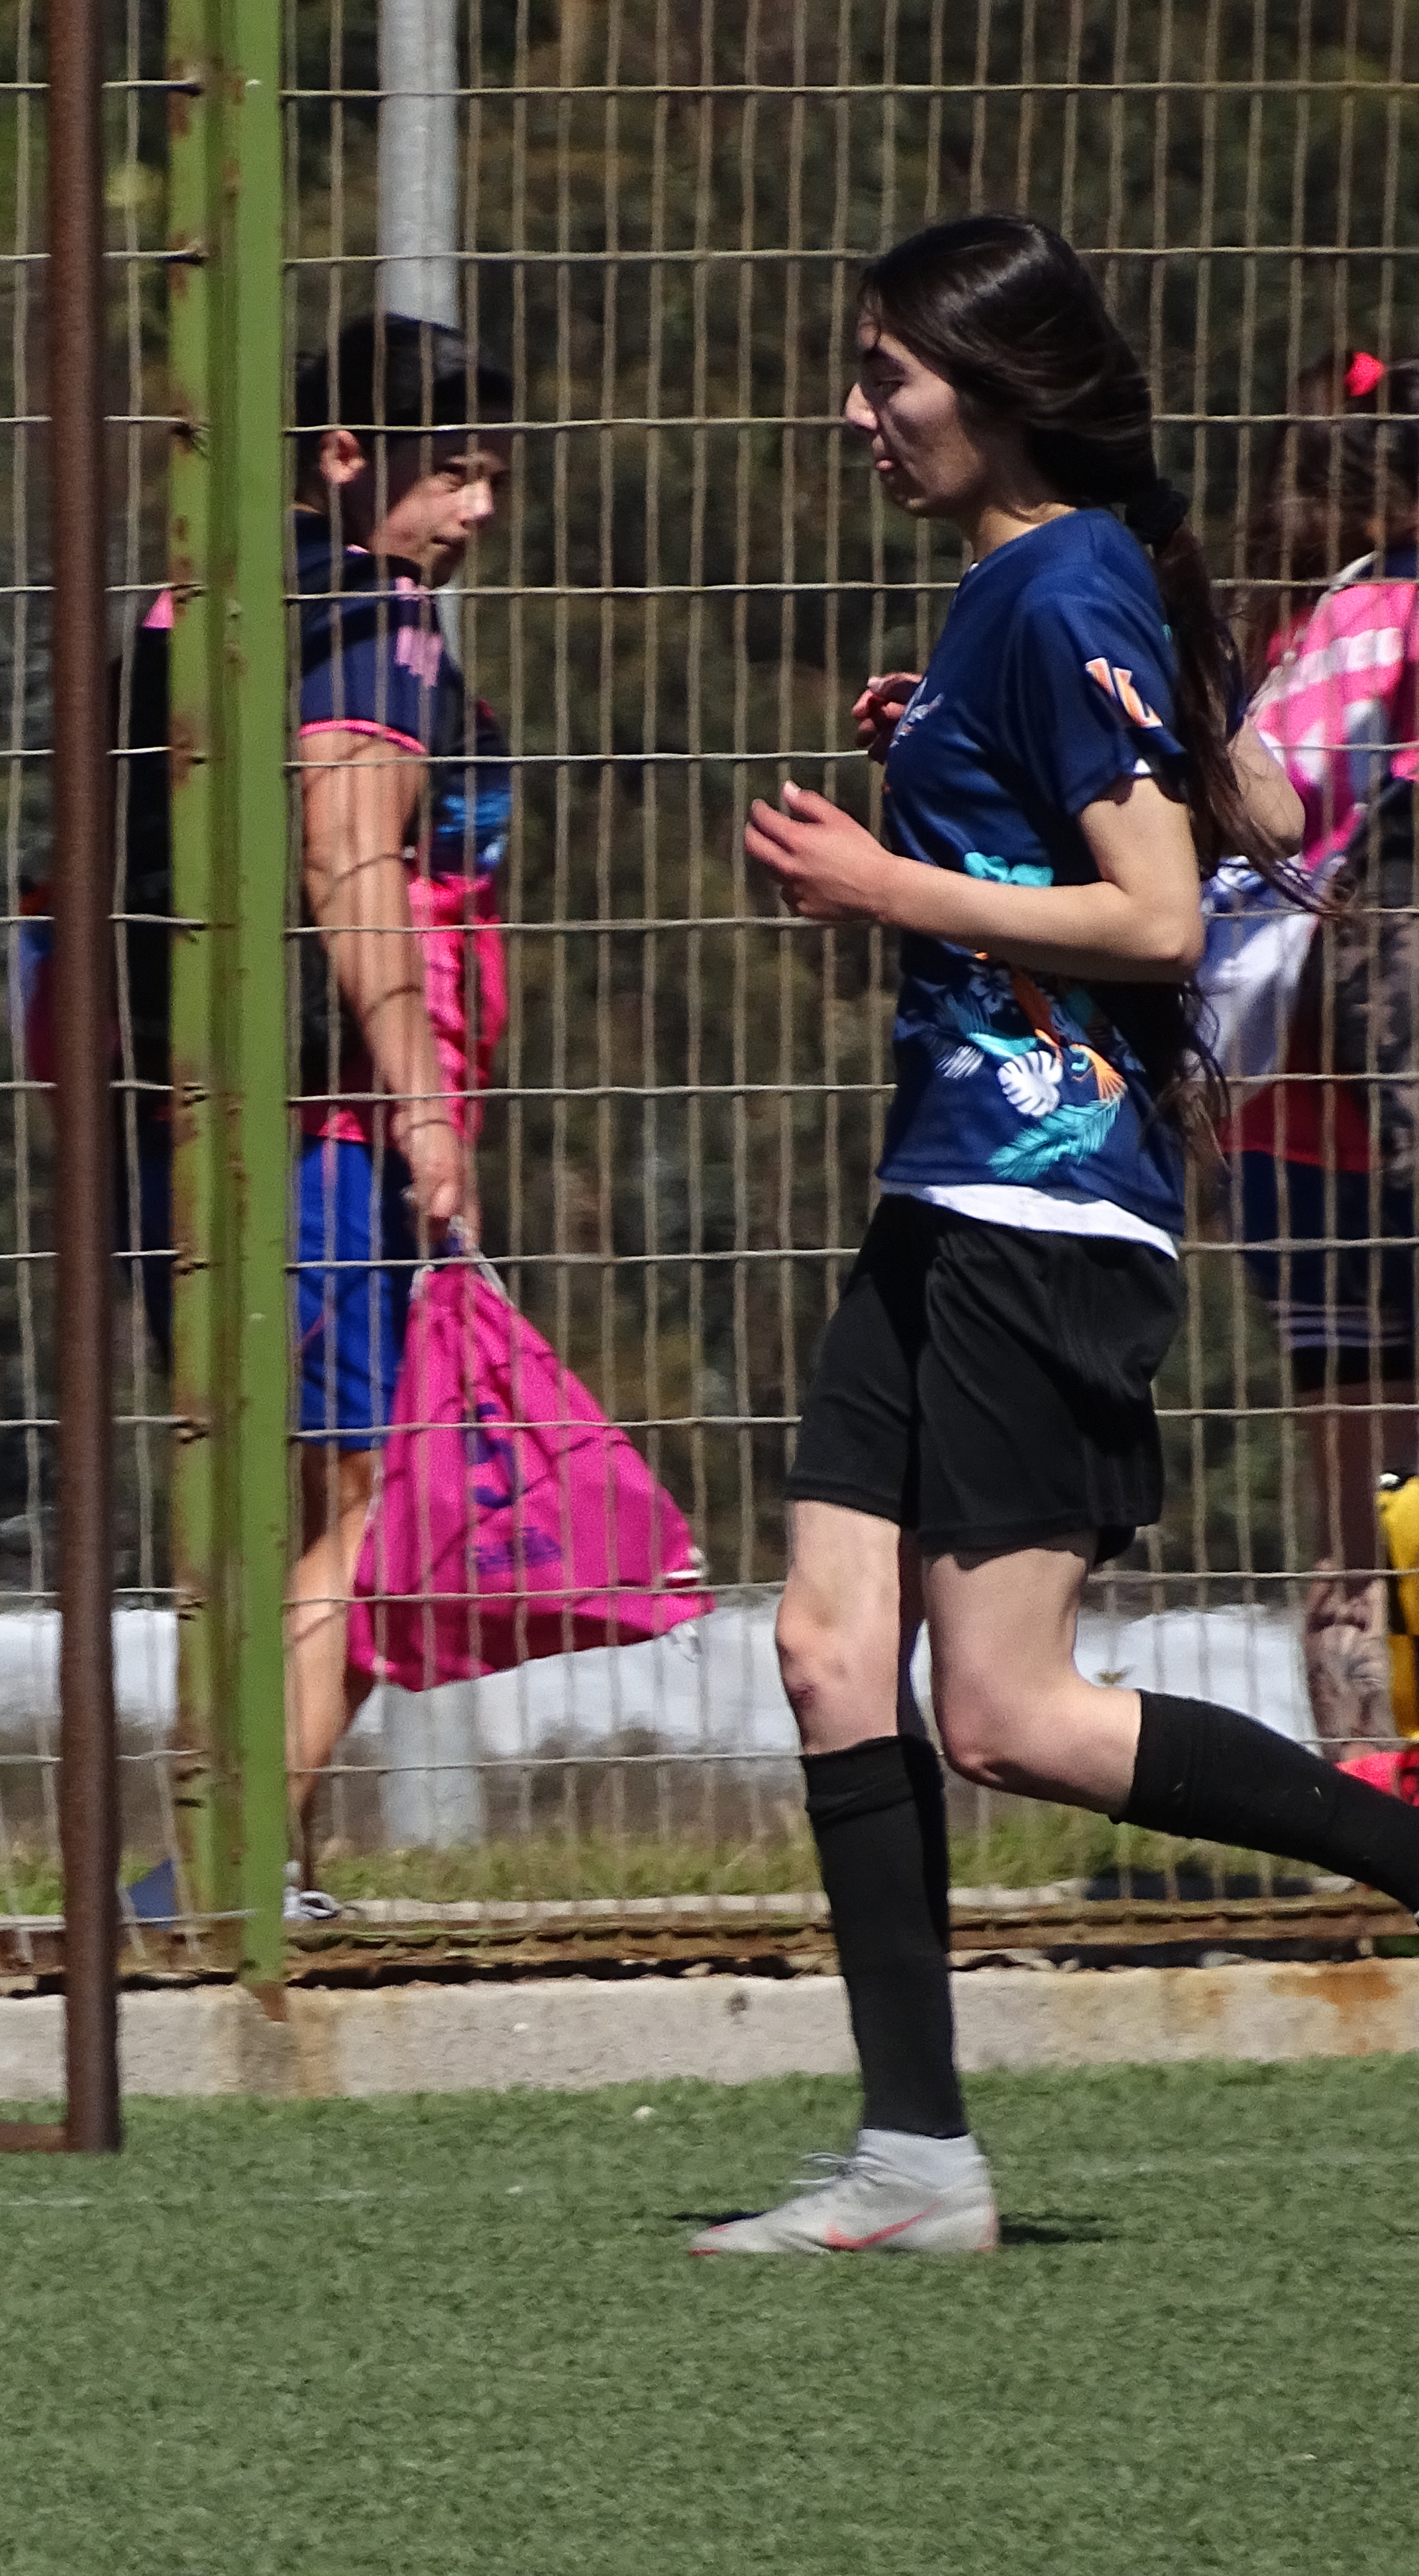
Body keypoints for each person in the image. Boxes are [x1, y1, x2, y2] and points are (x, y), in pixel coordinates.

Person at [695, 213, 1419, 2254]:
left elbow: (1167, 913)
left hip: (1049, 1210)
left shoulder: (1070, 579)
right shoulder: (1037, 590)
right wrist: (919, 794)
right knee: (833, 1657)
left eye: (884, 377)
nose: (857, 414)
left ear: (998, 383)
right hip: (942, 1199)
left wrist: (881, 883)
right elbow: (1247, 807)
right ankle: (916, 2164)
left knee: (1004, 1715)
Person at [282, 313, 516, 1909]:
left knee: (319, 1495)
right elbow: (349, 860)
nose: (479, 509)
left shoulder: (235, 602)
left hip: (270, 1117)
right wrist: (424, 1111)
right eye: (453, 472)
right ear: (348, 456)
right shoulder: (372, 619)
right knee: (362, 1501)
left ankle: (250, 1851)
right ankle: (223, 1862)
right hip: (337, 1128)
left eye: (494, 475)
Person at [1206, 352, 1419, 1767]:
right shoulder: (1401, 619)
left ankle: (1364, 1803)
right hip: (1391, 1082)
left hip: (1278, 1100)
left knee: (1352, 1493)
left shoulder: (1290, 635)